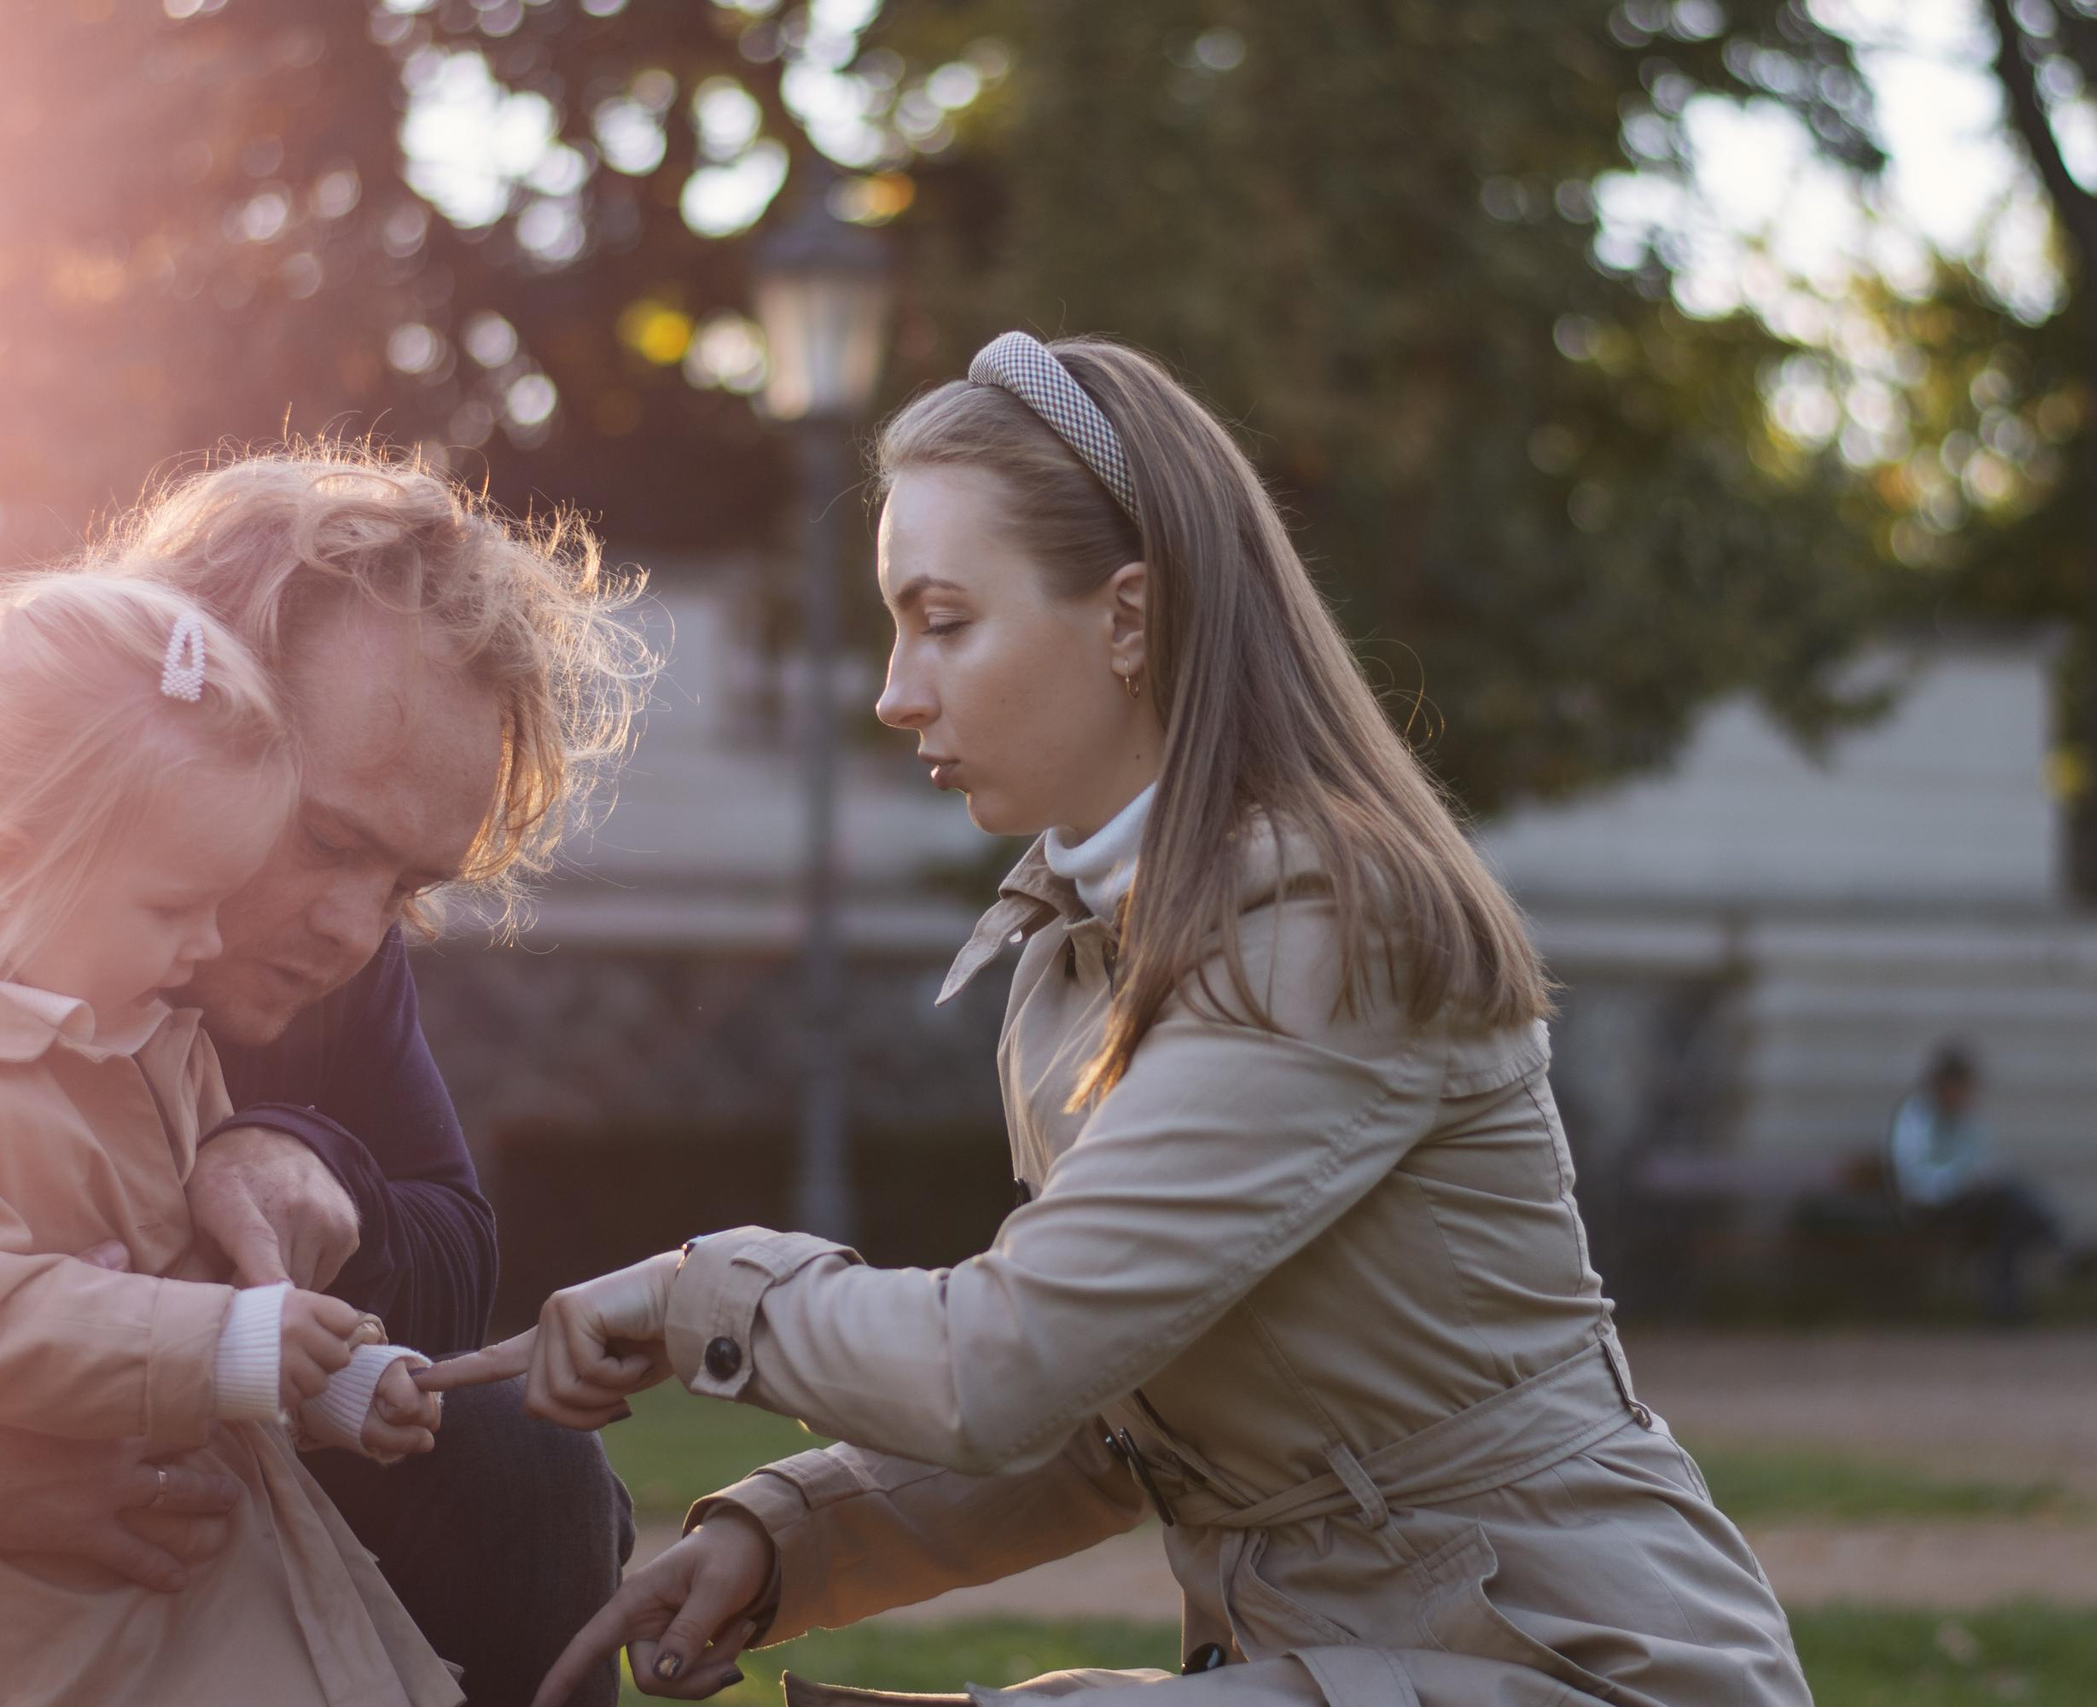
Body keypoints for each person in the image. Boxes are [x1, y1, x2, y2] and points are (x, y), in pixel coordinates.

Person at [428, 335, 1812, 1707]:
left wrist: (699, 1294)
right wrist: (784, 1537)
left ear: (1130, 620)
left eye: (945, 619)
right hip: (1354, 1658)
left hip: (1585, 1666)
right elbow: (1113, 1416)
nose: (896, 687)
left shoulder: (1327, 926)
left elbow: (1002, 1363)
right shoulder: (1073, 957)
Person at [0, 451, 651, 1707]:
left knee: (524, 1460)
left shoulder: (313, 959)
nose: (357, 931)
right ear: (170, 711)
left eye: (408, 888)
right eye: (325, 839)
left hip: (178, 1618)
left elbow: (454, 1252)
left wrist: (315, 1162)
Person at [0, 574, 457, 1705]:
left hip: (155, 1612)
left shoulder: (131, 1023)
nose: (206, 940)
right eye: (174, 909)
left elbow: (192, 1272)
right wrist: (233, 1346)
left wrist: (328, 1374)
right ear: (2, 866)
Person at [1887, 1042, 2061, 1322]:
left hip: (1973, 1206)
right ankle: (2055, 1240)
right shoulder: (1917, 1117)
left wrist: (1977, 1180)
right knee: (2007, 1206)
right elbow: (1916, 1181)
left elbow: (1986, 1162)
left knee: (2007, 1216)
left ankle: (2005, 1305)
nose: (1964, 1095)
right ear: (1941, 1086)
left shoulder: (1968, 1120)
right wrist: (1962, 1181)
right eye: (1959, 1087)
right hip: (1929, 1209)